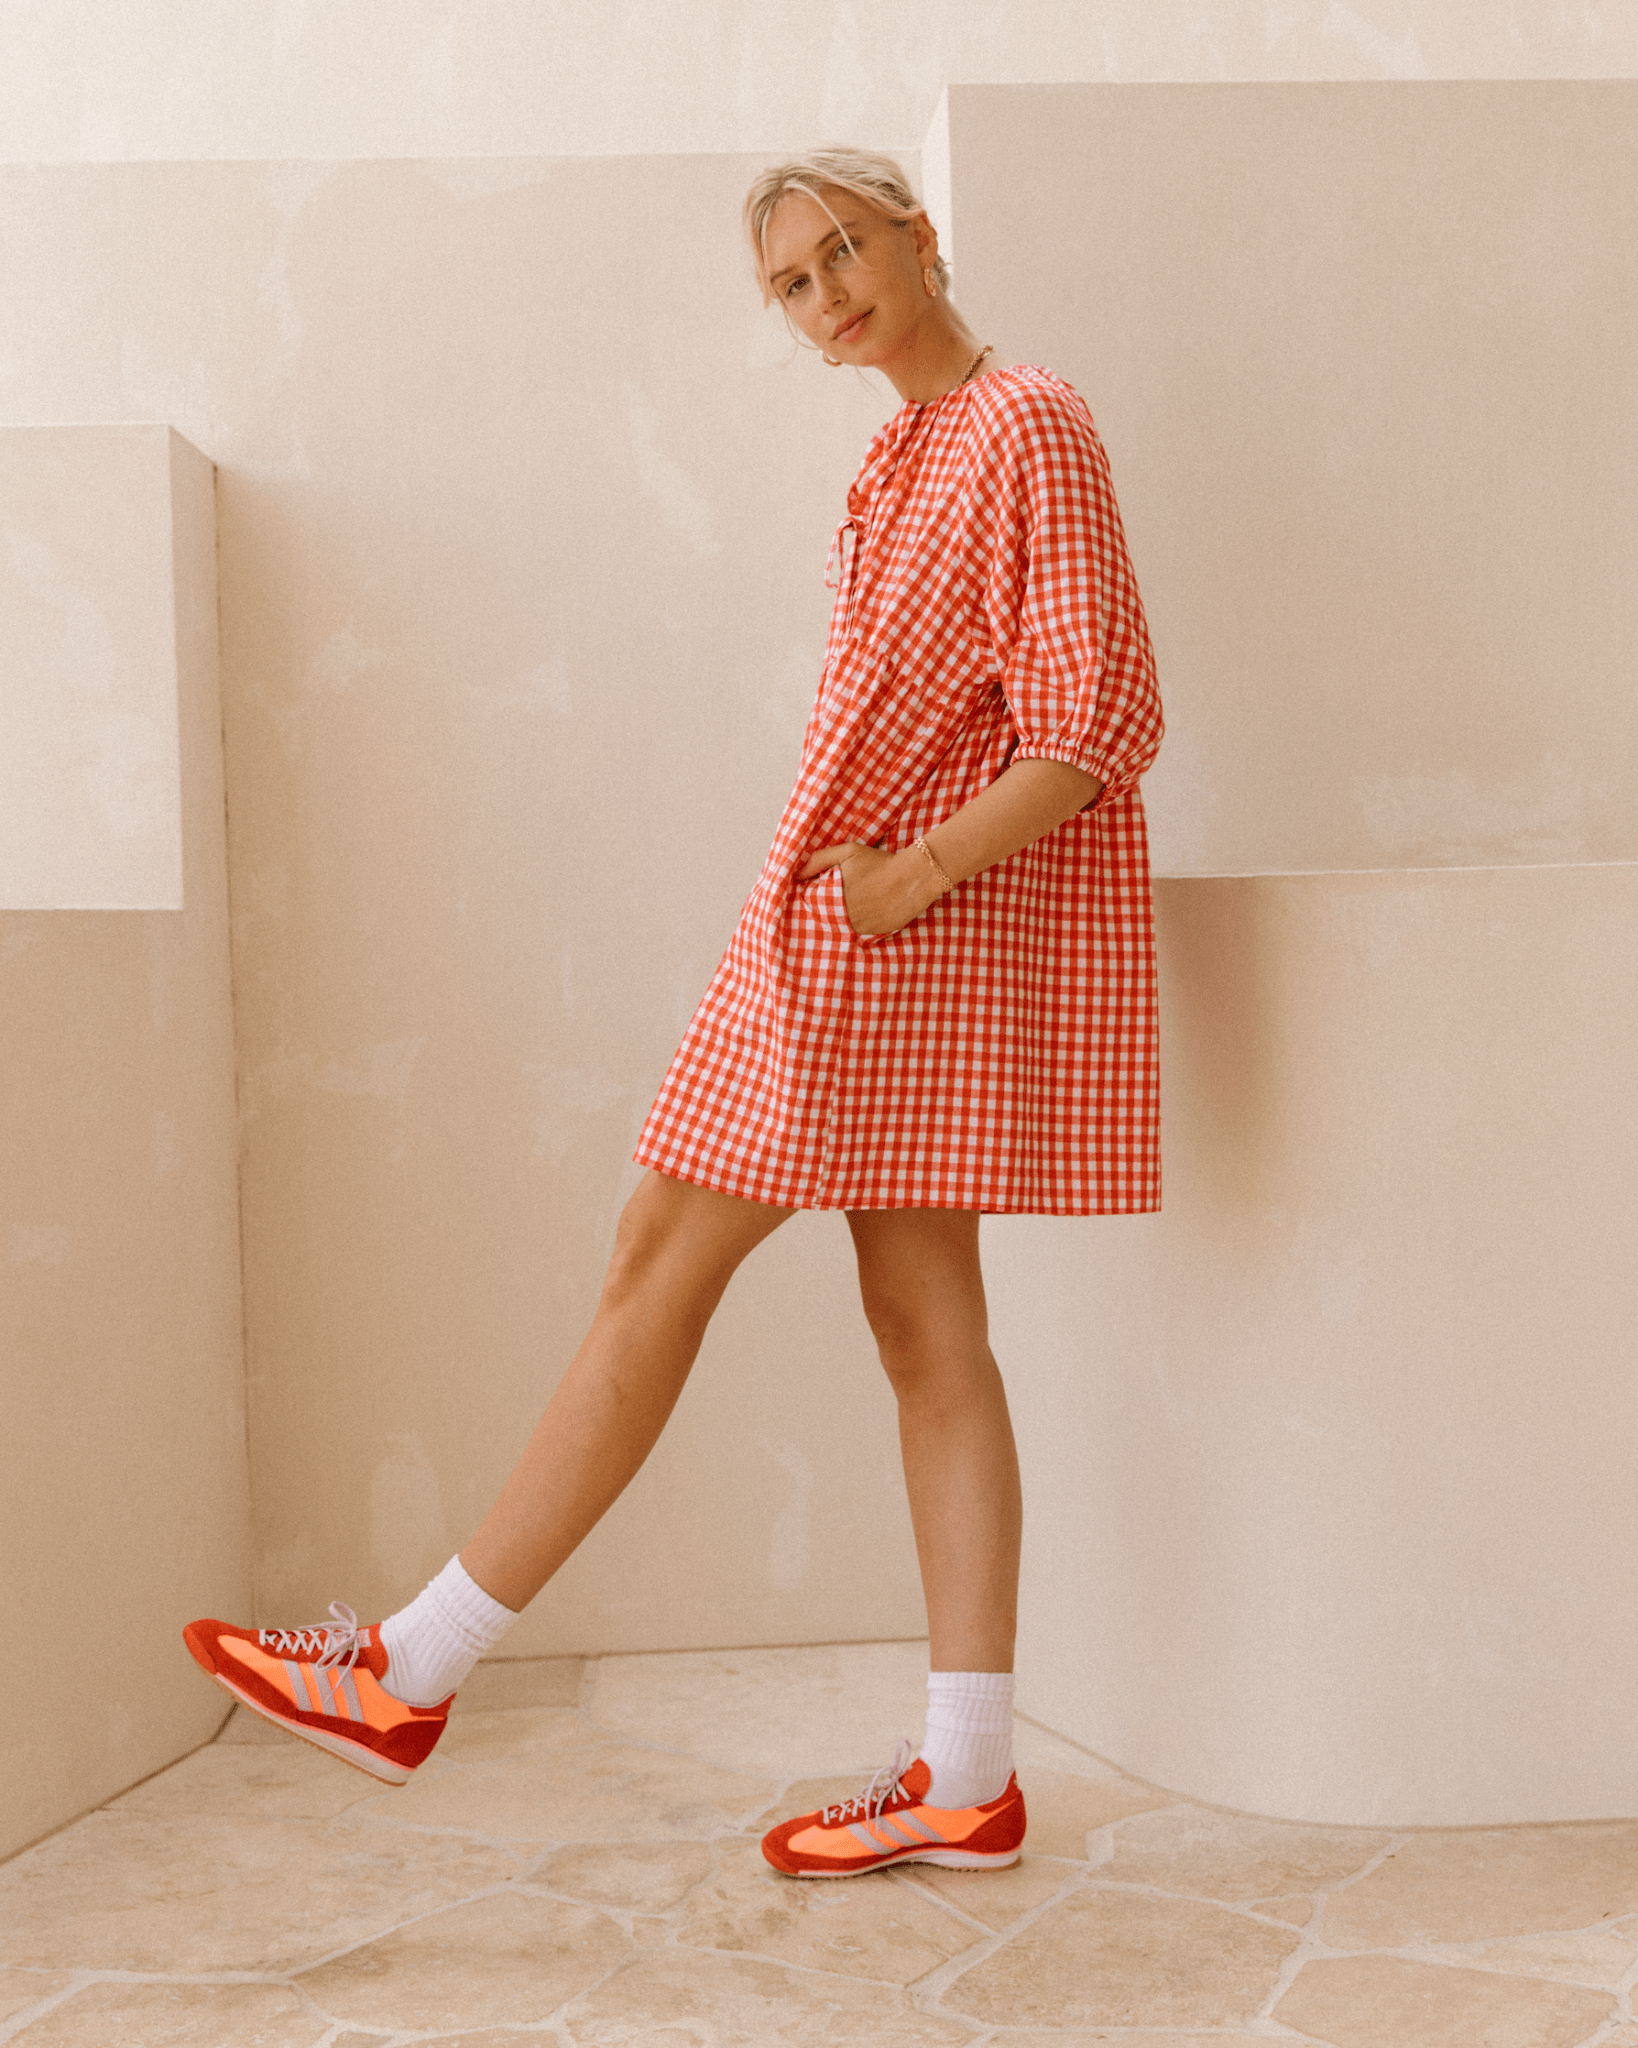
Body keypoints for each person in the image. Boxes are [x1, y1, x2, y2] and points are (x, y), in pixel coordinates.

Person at [184, 146, 1164, 1880]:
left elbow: (1099, 717)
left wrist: (910, 878)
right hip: (861, 922)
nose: (823, 296)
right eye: (789, 285)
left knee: (666, 1249)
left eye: (840, 251)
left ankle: (409, 1671)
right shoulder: (896, 458)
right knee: (922, 1325)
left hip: (898, 932)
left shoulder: (1029, 418)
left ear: (919, 235)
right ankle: (967, 1779)